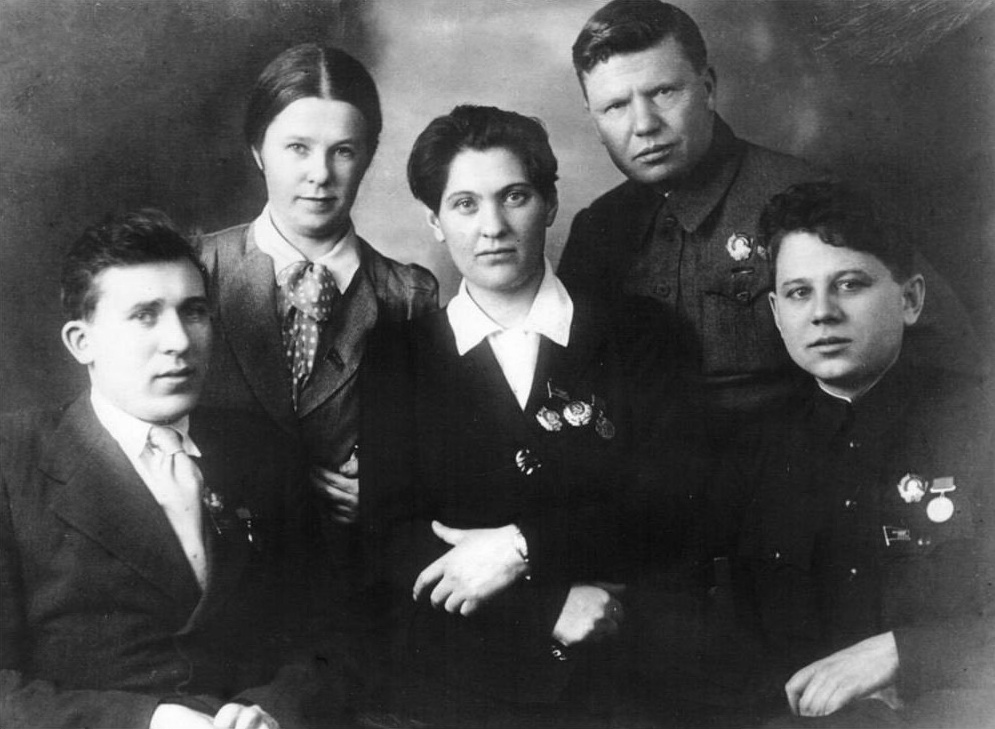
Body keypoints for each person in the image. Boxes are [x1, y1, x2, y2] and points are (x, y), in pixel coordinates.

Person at [358, 105, 692, 728]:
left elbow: (673, 506)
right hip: (464, 685)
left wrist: (523, 547)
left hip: (625, 680)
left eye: (514, 196)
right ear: (433, 221)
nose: (493, 227)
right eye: (464, 204)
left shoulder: (642, 334)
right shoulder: (396, 357)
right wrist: (545, 608)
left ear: (550, 203)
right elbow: (392, 538)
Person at [560, 0, 984, 440]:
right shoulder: (596, 228)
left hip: (795, 467)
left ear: (708, 89)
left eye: (663, 92)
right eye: (615, 106)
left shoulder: (808, 196)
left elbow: (948, 351)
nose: (644, 125)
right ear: (594, 120)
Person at [0, 211, 327, 728]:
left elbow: (326, 637)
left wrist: (273, 710)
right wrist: (150, 721)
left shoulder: (261, 450)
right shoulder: (12, 461)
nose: (179, 340)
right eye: (145, 315)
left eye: (193, 312)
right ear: (82, 342)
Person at [705, 182, 994, 728]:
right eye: (798, 293)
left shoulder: (981, 423)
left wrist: (904, 653)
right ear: (776, 313)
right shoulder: (749, 449)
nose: (822, 313)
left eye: (850, 284)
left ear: (910, 300)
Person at [197, 43, 438, 534]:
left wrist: (392, 485)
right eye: (298, 148)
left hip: (352, 564)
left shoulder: (408, 295)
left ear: (367, 158)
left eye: (343, 151)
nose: (321, 174)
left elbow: (439, 447)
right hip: (218, 556)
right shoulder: (196, 269)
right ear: (258, 151)